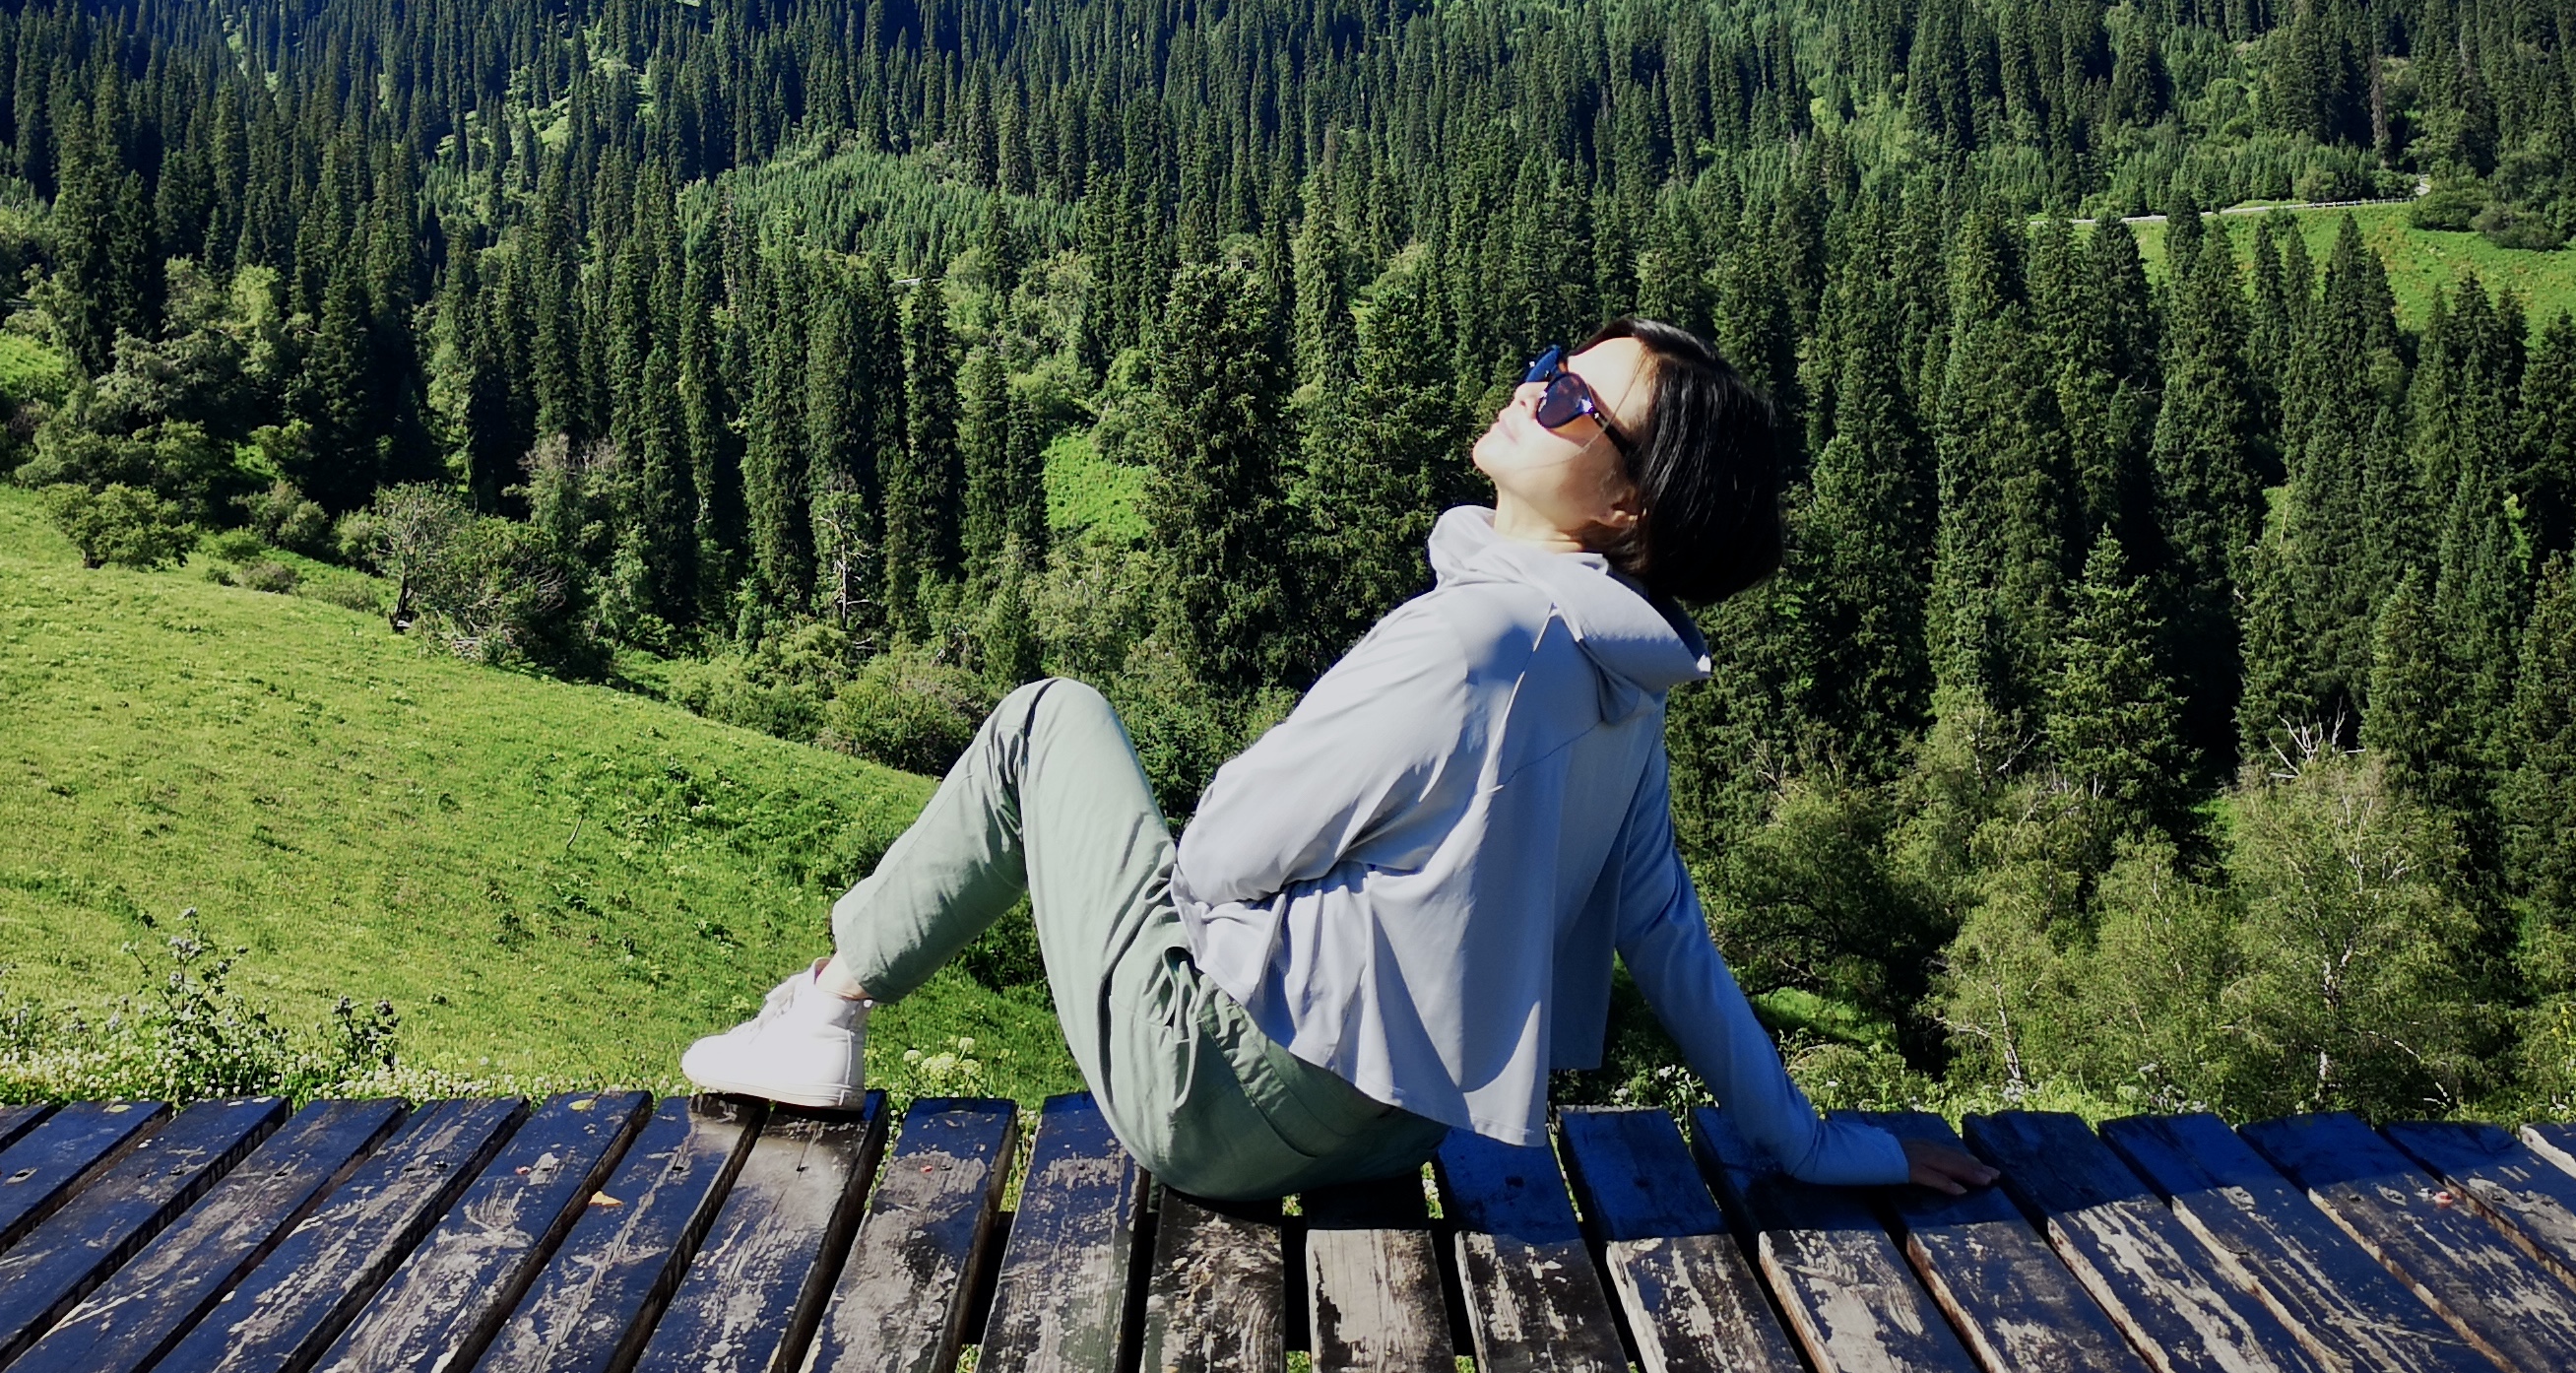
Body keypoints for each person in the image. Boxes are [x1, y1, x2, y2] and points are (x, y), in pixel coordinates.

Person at [681, 319, 1996, 1204]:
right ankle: (824, 1007)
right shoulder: (1623, 676)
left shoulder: (1477, 638)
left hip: (1225, 1103)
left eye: (1572, 397)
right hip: (1403, 1123)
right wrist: (1814, 1146)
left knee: (1049, 720)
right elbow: (1667, 939)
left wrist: (1218, 939)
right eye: (1551, 364)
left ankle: (827, 1011)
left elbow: (1221, 853)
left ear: (1626, 505)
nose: (1531, 387)